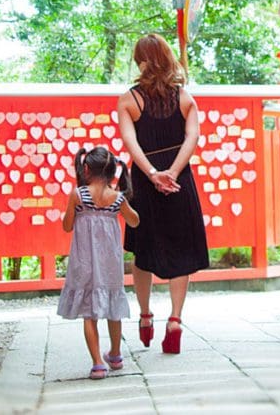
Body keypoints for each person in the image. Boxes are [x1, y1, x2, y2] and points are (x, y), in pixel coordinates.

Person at [117, 33, 209, 355]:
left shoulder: (129, 100)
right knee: (181, 249)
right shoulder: (185, 98)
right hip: (179, 180)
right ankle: (175, 320)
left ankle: (145, 316)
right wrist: (172, 171)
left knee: (142, 252)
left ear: (139, 61)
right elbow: (192, 137)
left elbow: (131, 142)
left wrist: (153, 174)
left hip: (144, 182)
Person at [58, 145, 140, 380]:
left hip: (83, 262)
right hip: (110, 264)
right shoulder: (117, 198)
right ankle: (115, 354)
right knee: (113, 308)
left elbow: (67, 226)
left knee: (88, 312)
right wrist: (124, 202)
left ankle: (97, 364)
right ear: (113, 171)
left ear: (86, 168)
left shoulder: (79, 195)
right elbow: (135, 221)